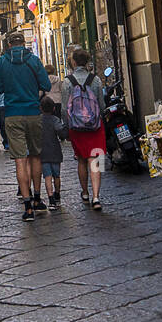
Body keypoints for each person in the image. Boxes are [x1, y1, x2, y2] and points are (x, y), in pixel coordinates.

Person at [0, 28, 52, 221]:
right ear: (23, 44)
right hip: (33, 113)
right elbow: (47, 85)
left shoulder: (2, 62)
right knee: (35, 156)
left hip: (12, 114)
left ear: (9, 45)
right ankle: (37, 198)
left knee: (20, 160)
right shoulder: (33, 60)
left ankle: (27, 207)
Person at [61, 46, 106, 211]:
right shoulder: (96, 80)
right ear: (87, 62)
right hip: (94, 126)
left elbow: (64, 109)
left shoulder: (67, 81)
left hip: (76, 127)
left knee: (81, 159)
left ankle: (85, 192)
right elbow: (101, 105)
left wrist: (66, 128)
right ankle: (96, 196)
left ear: (73, 62)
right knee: (95, 159)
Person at [39, 96, 68, 208]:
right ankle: (57, 194)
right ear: (54, 108)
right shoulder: (55, 120)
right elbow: (61, 132)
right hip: (55, 151)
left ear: (40, 108)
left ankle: (50, 199)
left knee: (47, 176)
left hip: (43, 151)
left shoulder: (38, 120)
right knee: (57, 175)